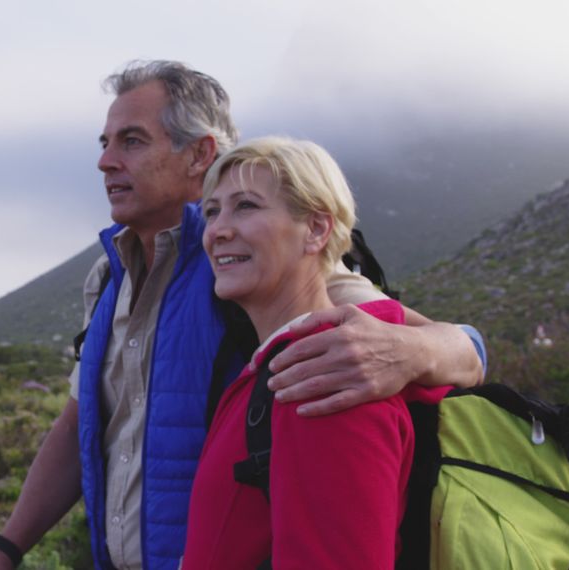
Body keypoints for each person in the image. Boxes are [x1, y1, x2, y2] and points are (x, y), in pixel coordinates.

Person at [0, 60, 485, 570]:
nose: (106, 161)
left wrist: (414, 350)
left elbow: (448, 347)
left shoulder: (259, 265)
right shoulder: (110, 279)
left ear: (200, 153)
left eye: (132, 141)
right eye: (105, 143)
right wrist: (4, 547)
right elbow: (80, 424)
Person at [183, 137, 447, 569]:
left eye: (246, 206)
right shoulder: (279, 366)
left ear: (316, 230)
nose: (218, 230)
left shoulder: (324, 376)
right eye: (212, 211)